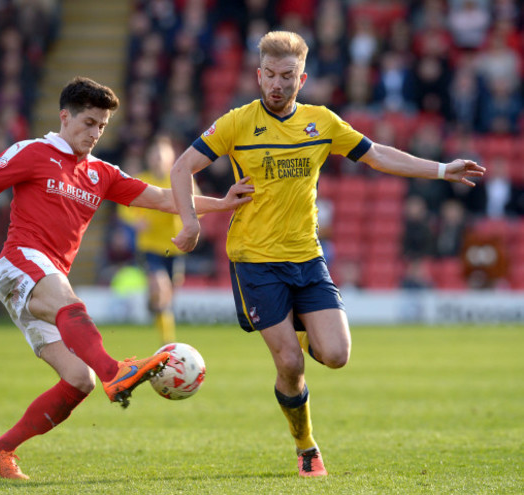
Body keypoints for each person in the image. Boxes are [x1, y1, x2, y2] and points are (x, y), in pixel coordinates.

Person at [0, 76, 253, 480]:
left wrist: (221, 203)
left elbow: (163, 197)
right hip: (20, 263)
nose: (95, 133)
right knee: (69, 304)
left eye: (102, 127)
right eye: (89, 123)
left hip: (48, 277)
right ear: (65, 117)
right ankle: (117, 371)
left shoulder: (102, 173)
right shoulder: (35, 152)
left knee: (79, 380)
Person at [170, 31, 485, 478]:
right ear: (259, 76)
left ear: (302, 78)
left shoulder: (322, 122)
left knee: (336, 355)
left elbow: (376, 155)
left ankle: (300, 332)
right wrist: (190, 222)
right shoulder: (237, 123)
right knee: (291, 365)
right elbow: (182, 167)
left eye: (288, 76)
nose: (277, 84)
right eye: (271, 76)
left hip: (307, 256)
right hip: (254, 260)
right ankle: (306, 448)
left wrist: (440, 170)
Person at [119, 134, 188, 344]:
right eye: (155, 154)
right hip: (149, 246)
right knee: (161, 286)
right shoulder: (141, 180)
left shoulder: (180, 179)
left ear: (171, 157)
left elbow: (198, 207)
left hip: (174, 247)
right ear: (149, 157)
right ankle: (168, 344)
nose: (158, 158)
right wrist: (135, 222)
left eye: (162, 154)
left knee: (167, 295)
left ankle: (155, 304)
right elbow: (124, 207)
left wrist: (185, 219)